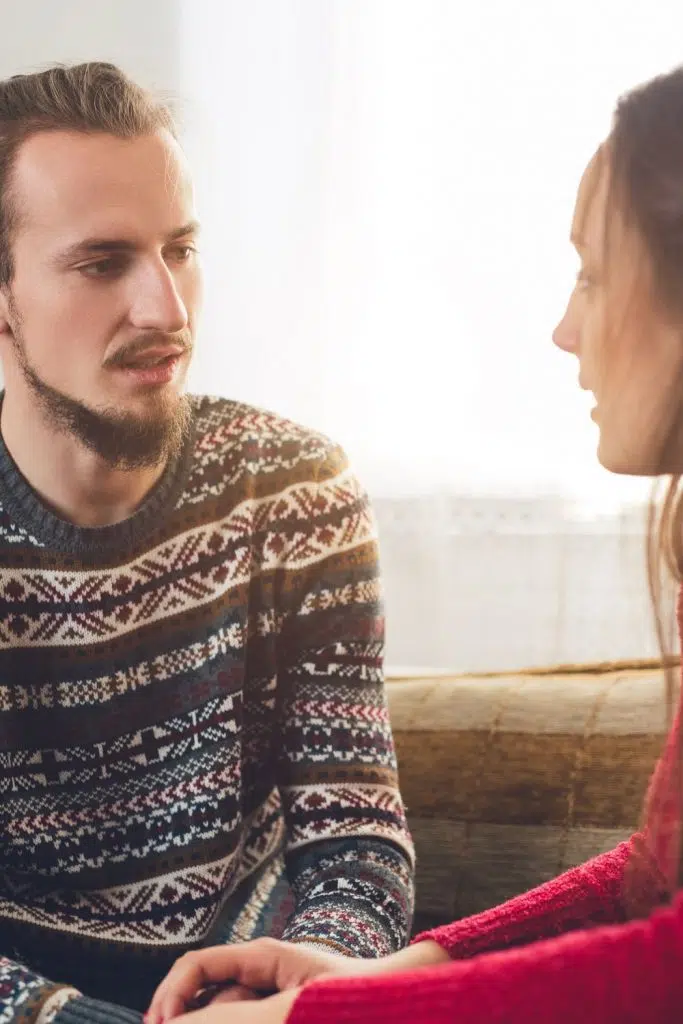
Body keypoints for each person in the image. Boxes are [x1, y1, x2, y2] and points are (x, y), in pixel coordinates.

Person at [146, 64, 683, 1024]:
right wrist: (399, 974)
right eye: (100, 263)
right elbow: (658, 881)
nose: (565, 329)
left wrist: (304, 1016)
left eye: (594, 274)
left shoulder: (294, 486)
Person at [0, 63, 415, 1023]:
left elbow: (352, 835)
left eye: (179, 250)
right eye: (103, 264)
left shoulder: (295, 489)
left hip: (249, 990)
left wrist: (311, 976)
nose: (167, 311)